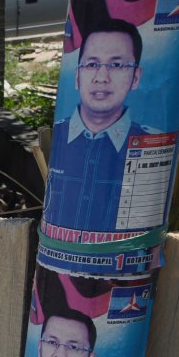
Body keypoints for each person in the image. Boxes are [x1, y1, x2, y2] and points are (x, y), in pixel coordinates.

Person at [43, 18, 152, 233]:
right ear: (77, 76)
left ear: (135, 77)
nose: (101, 77)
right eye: (92, 65)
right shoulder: (57, 138)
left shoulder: (149, 145)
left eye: (117, 65)